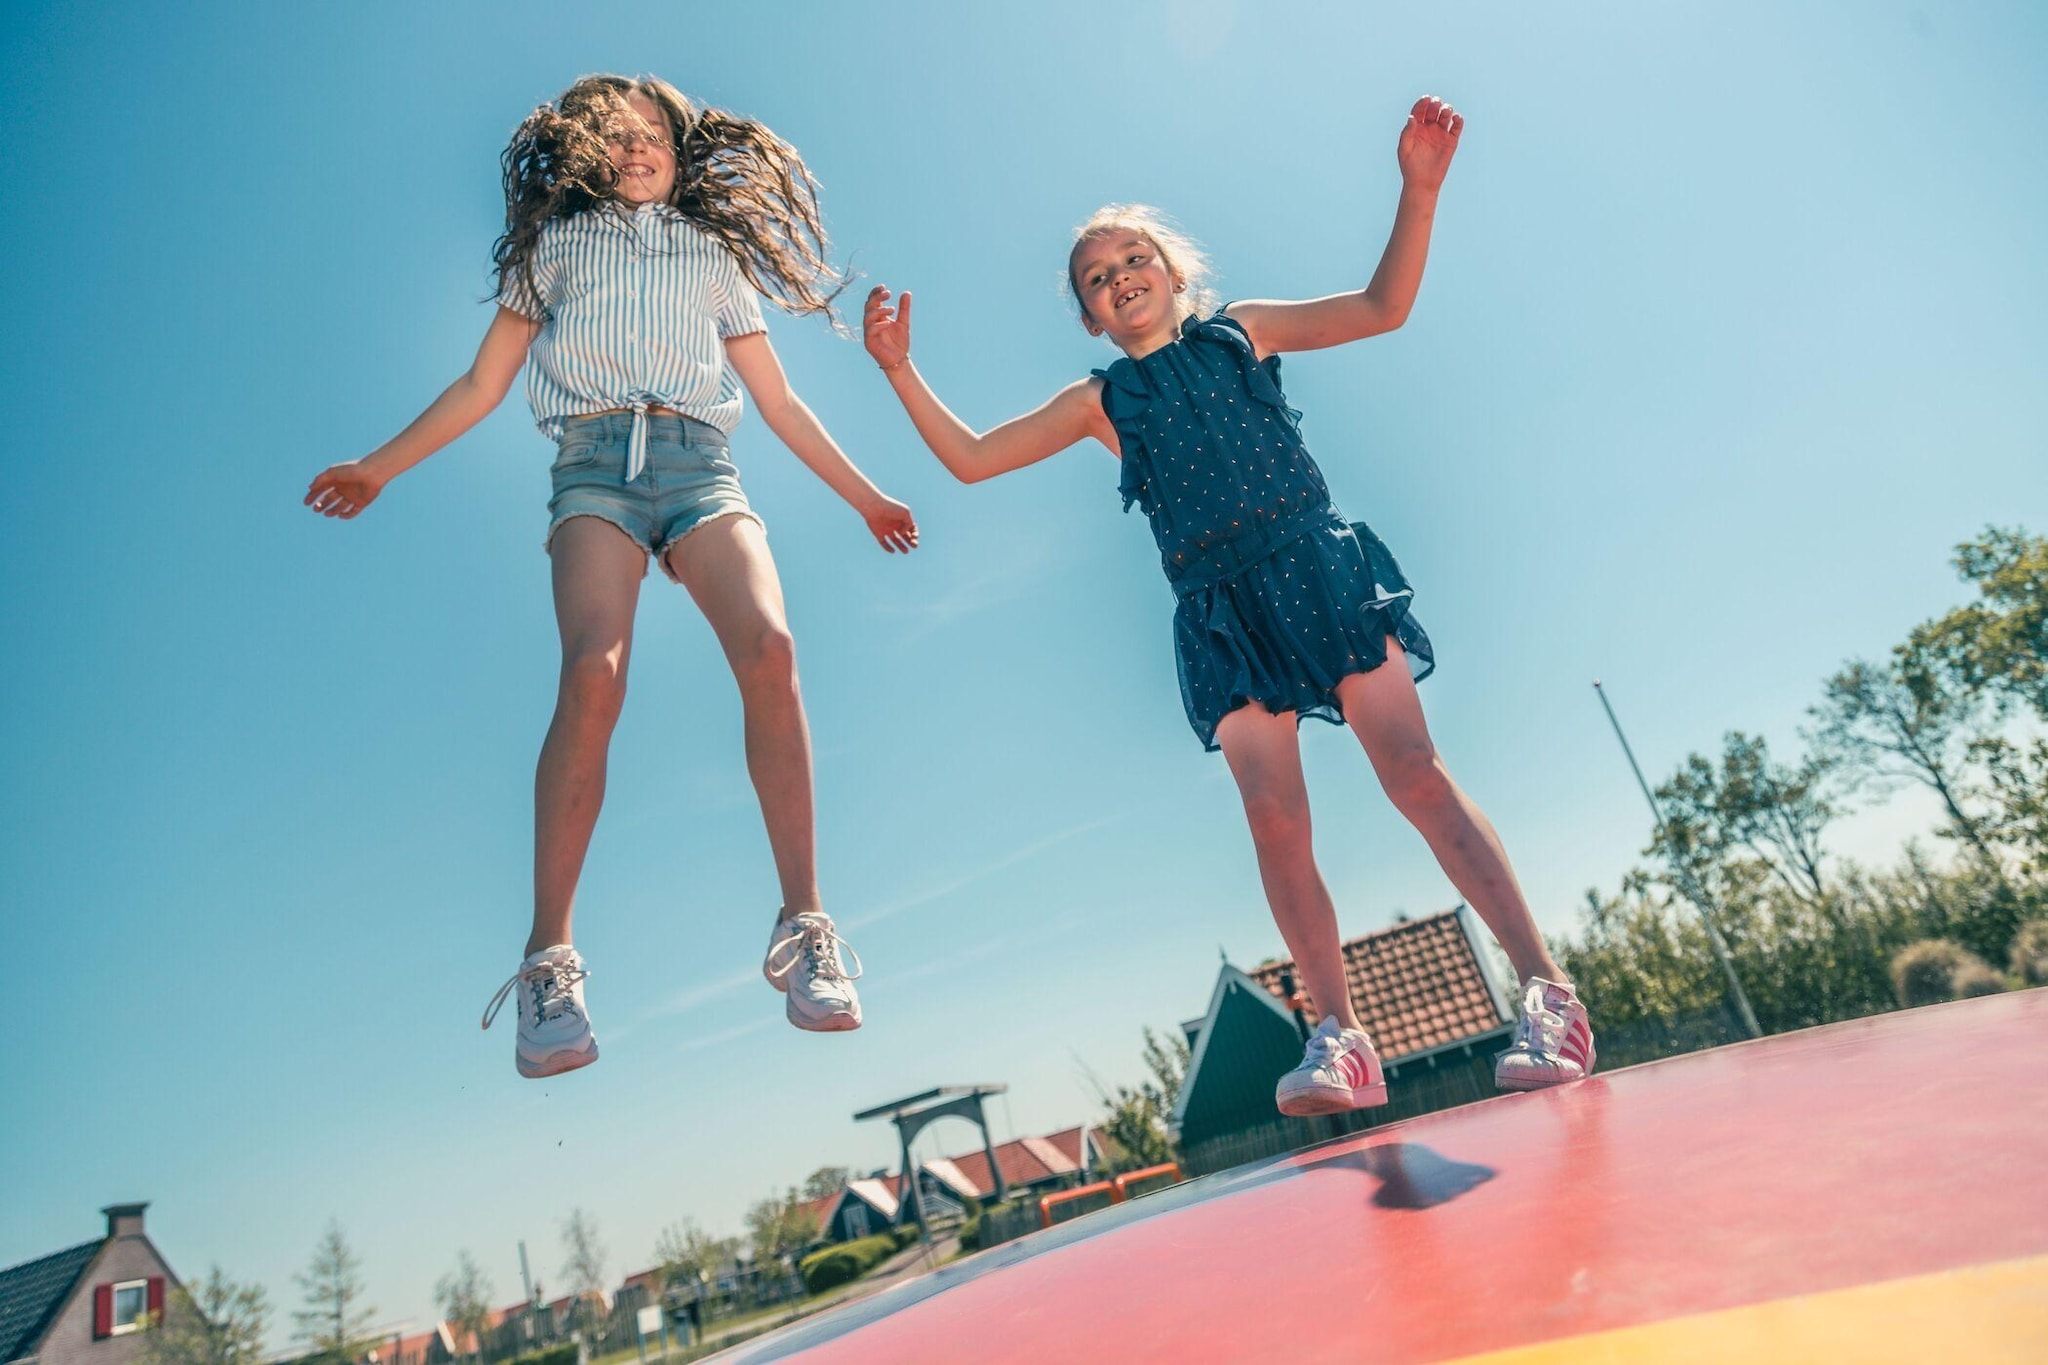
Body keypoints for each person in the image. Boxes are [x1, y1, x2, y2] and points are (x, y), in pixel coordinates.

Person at [860, 96, 1591, 1114]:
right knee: (1273, 820)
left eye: (1133, 260)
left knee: (1412, 774)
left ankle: (1548, 992)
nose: (1120, 278)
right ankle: (1340, 1036)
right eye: (1096, 278)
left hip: (1316, 568)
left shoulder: (1241, 334)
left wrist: (1417, 188)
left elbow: (1382, 306)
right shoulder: (1100, 403)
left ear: (1173, 271)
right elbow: (974, 459)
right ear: (1088, 317)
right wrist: (900, 371)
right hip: (1219, 611)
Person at [306, 75, 916, 1077]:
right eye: (616, 136)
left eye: (652, 135)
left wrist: (867, 497)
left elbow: (778, 403)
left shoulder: (711, 254)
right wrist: (378, 466)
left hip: (701, 468)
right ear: (587, 151)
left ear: (681, 153)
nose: (636, 148)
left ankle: (805, 924)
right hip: (593, 471)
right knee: (594, 671)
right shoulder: (553, 249)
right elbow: (482, 384)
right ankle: (548, 961)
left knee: (771, 648)